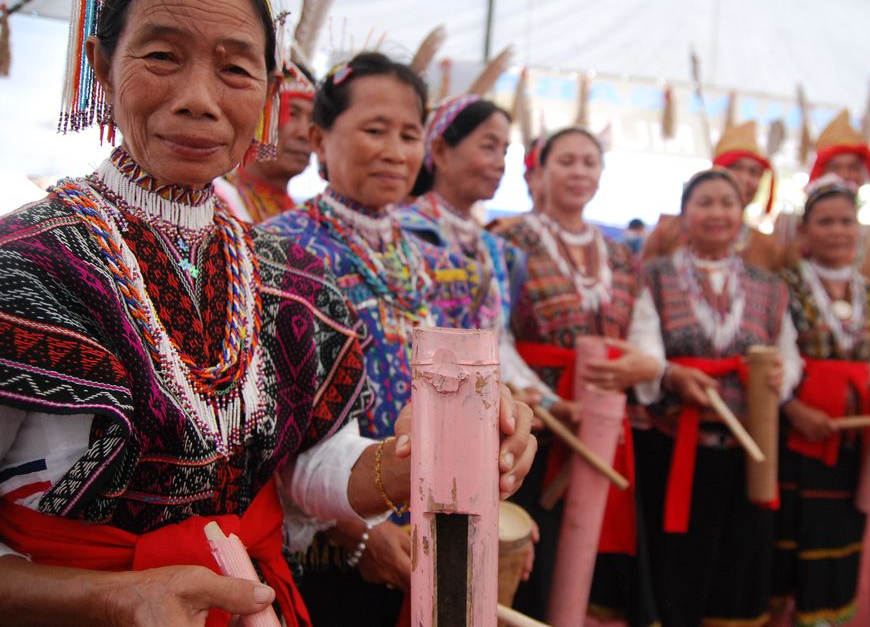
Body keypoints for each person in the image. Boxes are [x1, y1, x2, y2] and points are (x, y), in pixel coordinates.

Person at [0, 0, 536, 625]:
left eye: (234, 70)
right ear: (101, 65)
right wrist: (110, 596)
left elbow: (309, 466)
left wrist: (426, 455)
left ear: (270, 90)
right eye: (163, 55)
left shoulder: (289, 275)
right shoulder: (22, 268)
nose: (199, 96)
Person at [263, 53, 538, 627]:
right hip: (321, 544)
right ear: (318, 137)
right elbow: (267, 425)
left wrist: (495, 464)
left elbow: (457, 393)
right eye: (373, 130)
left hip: (421, 528)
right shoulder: (274, 248)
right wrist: (361, 531)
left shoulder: (431, 259)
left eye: (409, 133)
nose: (395, 150)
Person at [493, 127, 660, 625]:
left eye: (590, 162)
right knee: (538, 554)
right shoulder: (508, 239)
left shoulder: (623, 254)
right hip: (538, 420)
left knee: (597, 550)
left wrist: (644, 364)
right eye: (566, 161)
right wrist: (545, 401)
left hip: (607, 416)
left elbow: (647, 329)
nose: (580, 171)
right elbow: (493, 331)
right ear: (539, 171)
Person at [628, 167, 800, 627]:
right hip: (672, 444)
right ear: (685, 215)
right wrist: (670, 377)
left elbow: (790, 358)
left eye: (727, 202)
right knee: (677, 563)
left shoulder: (770, 286)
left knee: (737, 563)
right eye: (704, 202)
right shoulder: (655, 276)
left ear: (742, 214)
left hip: (748, 448)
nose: (717, 212)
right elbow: (643, 347)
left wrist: (777, 380)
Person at [771, 175, 870, 627]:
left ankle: (822, 617)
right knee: (789, 532)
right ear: (804, 230)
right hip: (794, 434)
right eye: (825, 221)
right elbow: (776, 356)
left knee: (840, 529)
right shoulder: (782, 286)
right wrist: (793, 409)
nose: (838, 230)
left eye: (846, 220)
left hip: (850, 440)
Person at [395, 94, 527, 344]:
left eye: (505, 151)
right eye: (489, 147)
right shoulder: (404, 233)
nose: (501, 164)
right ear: (441, 152)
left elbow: (500, 345)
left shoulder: (499, 251)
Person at [641, 121, 785, 271]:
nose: (745, 179)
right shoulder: (667, 232)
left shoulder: (767, 244)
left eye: (754, 172)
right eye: (736, 167)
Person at [215, 60, 316, 223]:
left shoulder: (309, 221)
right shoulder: (215, 201)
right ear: (259, 118)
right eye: (291, 113)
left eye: (312, 120)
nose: (304, 133)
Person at [809, 110, 870, 280]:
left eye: (853, 168)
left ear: (864, 175)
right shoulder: (789, 227)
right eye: (835, 167)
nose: (844, 176)